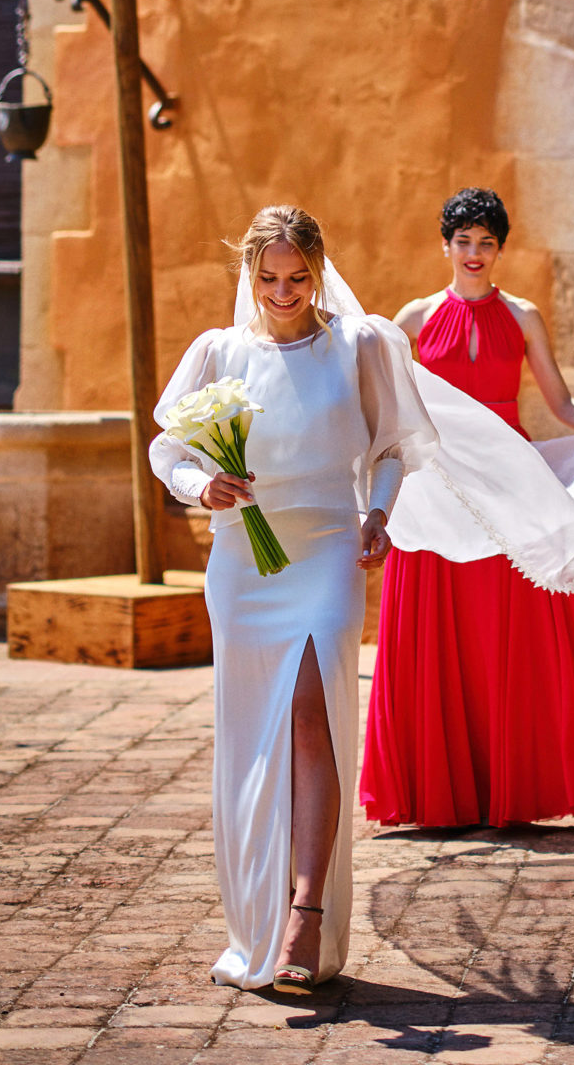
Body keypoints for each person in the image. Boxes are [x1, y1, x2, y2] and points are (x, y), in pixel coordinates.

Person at [149, 204, 436, 996]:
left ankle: (305, 914)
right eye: (269, 278)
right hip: (244, 560)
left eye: (298, 278)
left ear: (318, 270)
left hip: (327, 553)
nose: (283, 292)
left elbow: (389, 449)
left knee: (314, 715)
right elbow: (165, 446)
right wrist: (199, 484)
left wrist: (378, 514)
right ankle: (257, 914)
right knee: (255, 734)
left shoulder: (358, 344)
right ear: (249, 274)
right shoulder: (219, 352)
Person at [360, 185, 574, 828]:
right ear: (446, 246)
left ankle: (511, 787)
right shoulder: (410, 319)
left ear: (499, 249)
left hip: (507, 487)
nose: (473, 253)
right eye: (463, 242)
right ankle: (438, 791)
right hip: (440, 490)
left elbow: (560, 401)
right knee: (439, 630)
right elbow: (382, 402)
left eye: (485, 243)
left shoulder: (523, 317)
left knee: (505, 633)